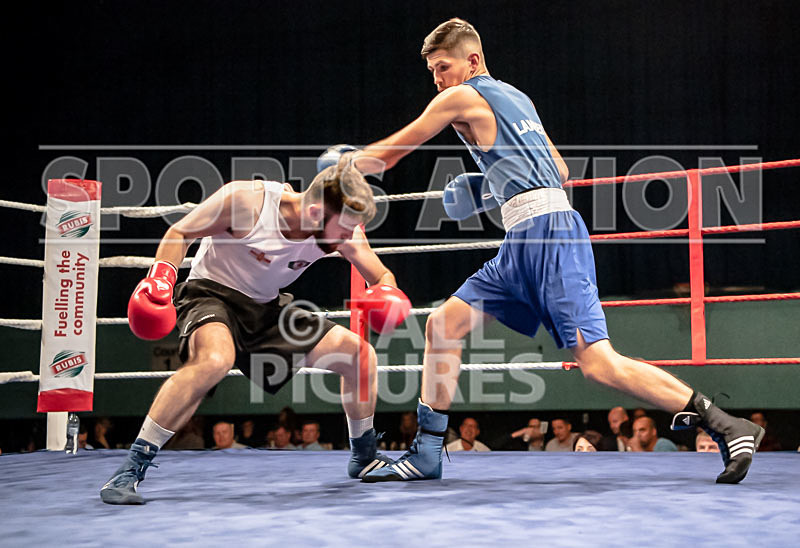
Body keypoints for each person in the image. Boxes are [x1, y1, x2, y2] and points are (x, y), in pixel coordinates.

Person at [329, 17, 763, 484]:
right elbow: (558, 170)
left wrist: (345, 166)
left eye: (443, 66)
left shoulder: (460, 96)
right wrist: (491, 184)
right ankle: (428, 453)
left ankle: (725, 423)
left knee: (598, 363)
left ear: (472, 61)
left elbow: (394, 151)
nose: (437, 79)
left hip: (549, 236)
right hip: (524, 239)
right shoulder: (519, 98)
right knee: (443, 324)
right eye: (432, 71)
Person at [100, 165, 407, 504]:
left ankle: (364, 457)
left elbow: (380, 274)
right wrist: (160, 278)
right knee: (215, 360)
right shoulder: (246, 202)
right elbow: (180, 232)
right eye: (344, 229)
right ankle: (130, 469)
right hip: (210, 296)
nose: (348, 237)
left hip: (265, 309)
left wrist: (387, 293)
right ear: (317, 211)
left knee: (359, 355)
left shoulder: (342, 230)